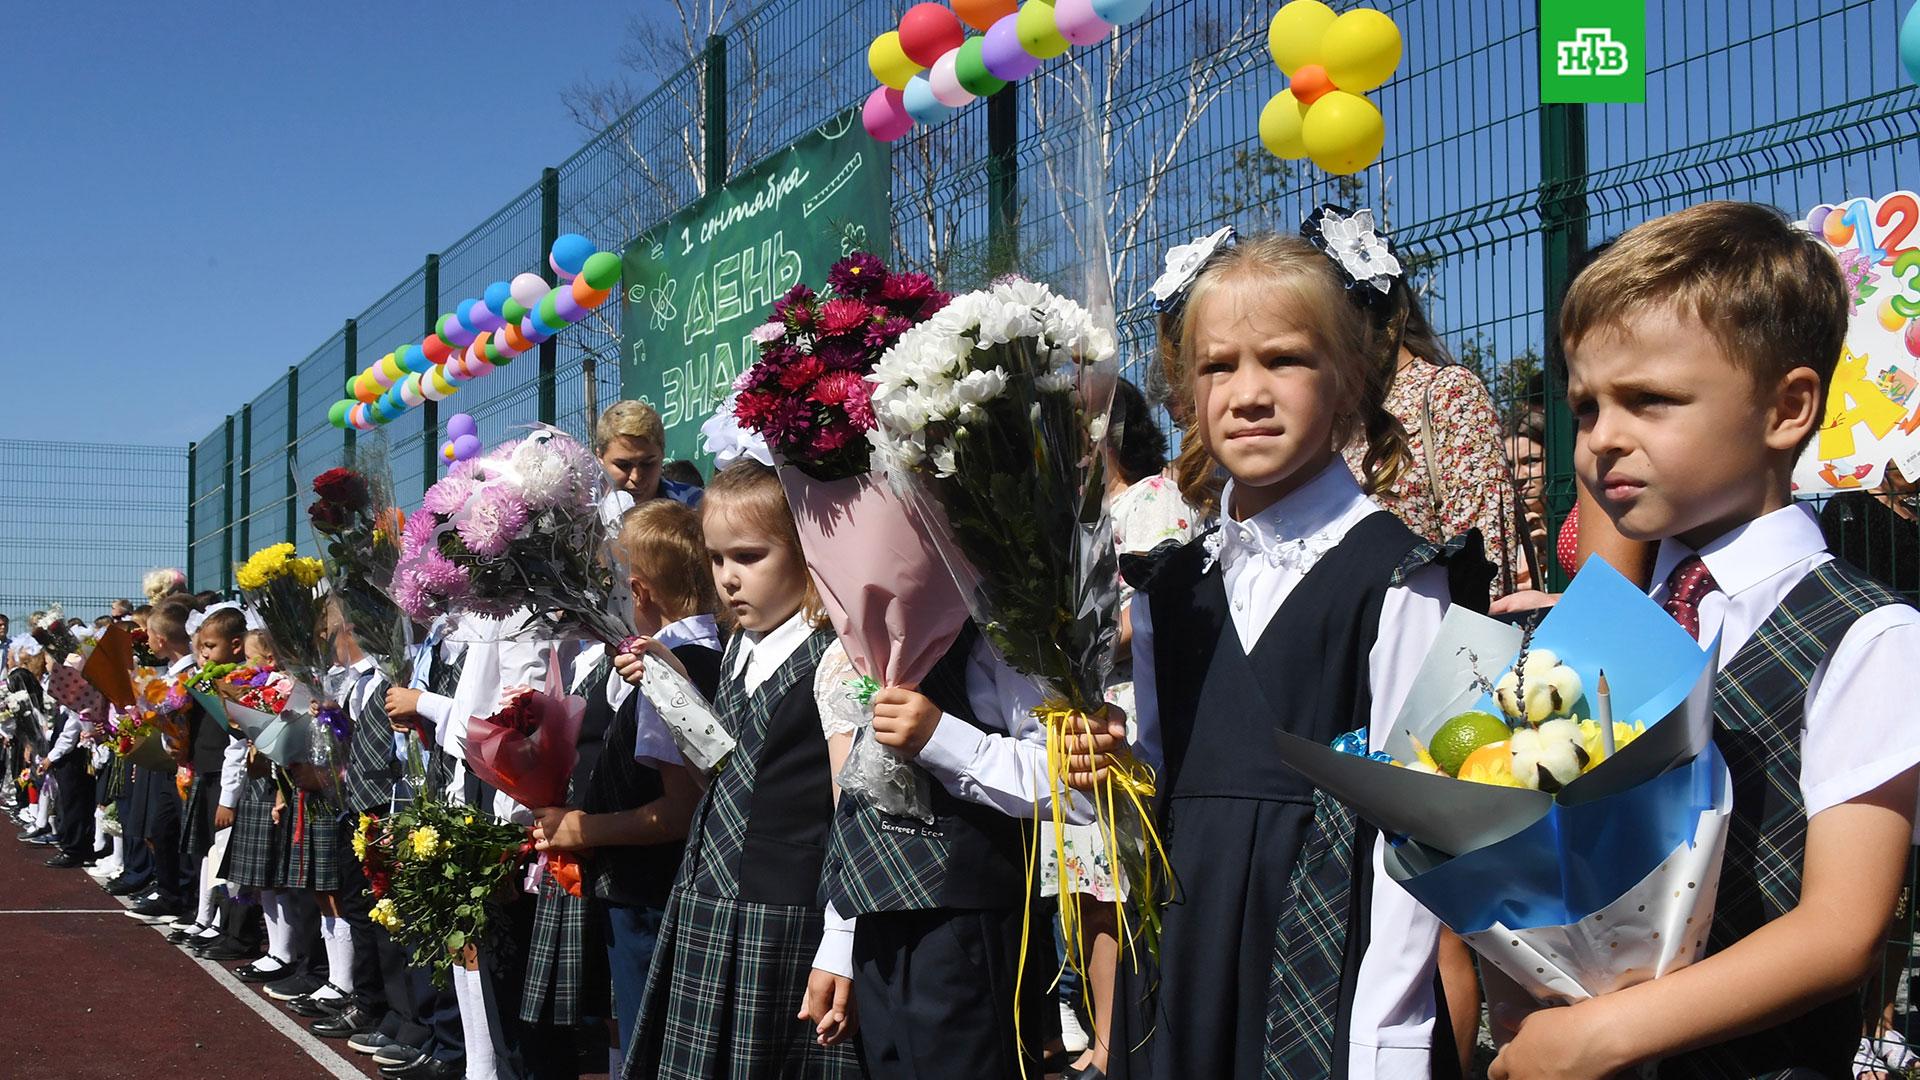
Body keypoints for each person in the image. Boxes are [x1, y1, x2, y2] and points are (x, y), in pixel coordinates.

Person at [1487, 200, 1920, 1078]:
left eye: (1649, 401)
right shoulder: (1603, 631)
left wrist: (1605, 1036)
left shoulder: (1869, 637)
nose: (1602, 438)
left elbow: (1841, 930)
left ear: (1789, 408)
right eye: (1587, 404)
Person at [1069, 220, 1491, 1078]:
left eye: (1285, 359)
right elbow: (1164, 773)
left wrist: (1386, 1039)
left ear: (1348, 382)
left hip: (1324, 960)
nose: (1248, 393)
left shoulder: (1402, 577)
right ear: (1185, 394)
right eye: (1218, 367)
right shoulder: (1169, 586)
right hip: (1182, 953)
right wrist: (1108, 768)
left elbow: (1422, 827)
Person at [620, 460, 862, 1080]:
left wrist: (842, 940)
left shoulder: (835, 652)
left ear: (807, 550)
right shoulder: (738, 649)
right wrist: (671, 692)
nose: (728, 579)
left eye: (749, 556)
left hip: (783, 917)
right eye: (717, 559)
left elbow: (854, 812)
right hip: (706, 898)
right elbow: (726, 775)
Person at [1044, 376, 1204, 1080]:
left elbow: (1158, 608)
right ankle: (1107, 1041)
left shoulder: (1153, 500)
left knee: (1128, 891)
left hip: (1131, 722)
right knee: (1091, 892)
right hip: (1081, 721)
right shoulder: (1078, 514)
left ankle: (1137, 1040)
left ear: (1104, 428)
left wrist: (1067, 644)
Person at [536, 500, 719, 1064]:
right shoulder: (719, 652)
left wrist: (581, 829)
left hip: (647, 897)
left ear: (637, 592)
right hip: (668, 893)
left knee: (644, 1043)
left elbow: (678, 810)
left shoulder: (667, 668)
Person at [595, 401, 702, 510]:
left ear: (662, 454)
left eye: (647, 464)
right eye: (623, 465)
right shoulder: (583, 514)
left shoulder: (698, 506)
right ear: (600, 458)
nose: (636, 477)